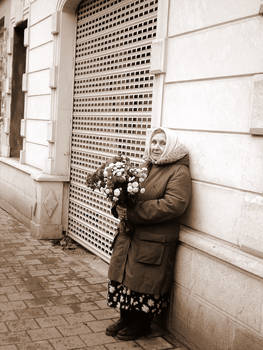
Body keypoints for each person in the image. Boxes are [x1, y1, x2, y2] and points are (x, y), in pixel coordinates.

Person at [106, 127, 192, 340]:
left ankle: (141, 325)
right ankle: (125, 319)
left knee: (144, 284)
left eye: (162, 143)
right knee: (126, 279)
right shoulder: (147, 165)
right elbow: (131, 195)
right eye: (154, 142)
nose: (156, 147)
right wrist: (119, 205)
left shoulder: (178, 171)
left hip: (154, 240)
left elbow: (174, 204)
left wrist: (133, 213)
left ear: (171, 146)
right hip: (132, 237)